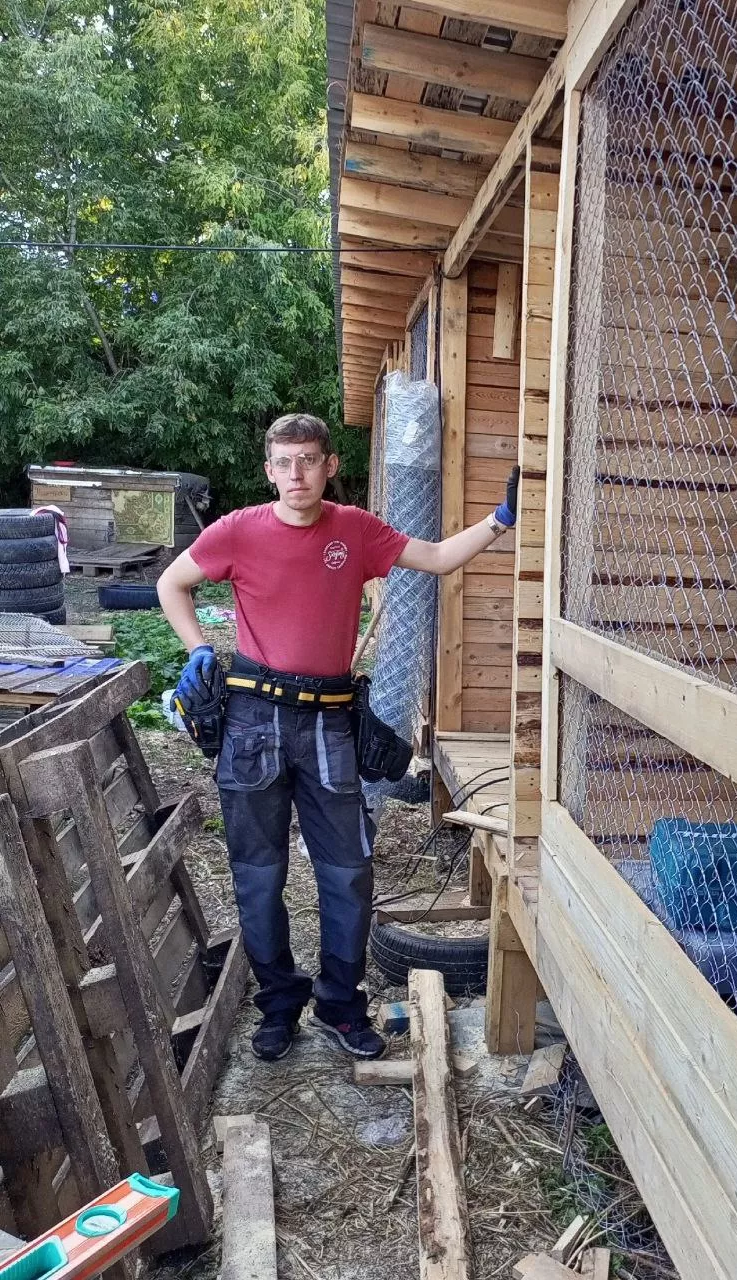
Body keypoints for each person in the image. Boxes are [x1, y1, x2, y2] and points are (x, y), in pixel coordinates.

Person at [157, 412, 519, 1062]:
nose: (296, 473)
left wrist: (502, 518)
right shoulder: (238, 529)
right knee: (258, 877)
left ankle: (341, 1008)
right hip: (253, 724)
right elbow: (171, 583)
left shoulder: (355, 530)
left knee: (348, 874)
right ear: (269, 470)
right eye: (284, 462)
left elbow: (437, 559)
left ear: (329, 466)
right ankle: (278, 1008)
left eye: (308, 460)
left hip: (329, 723)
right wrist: (197, 649)